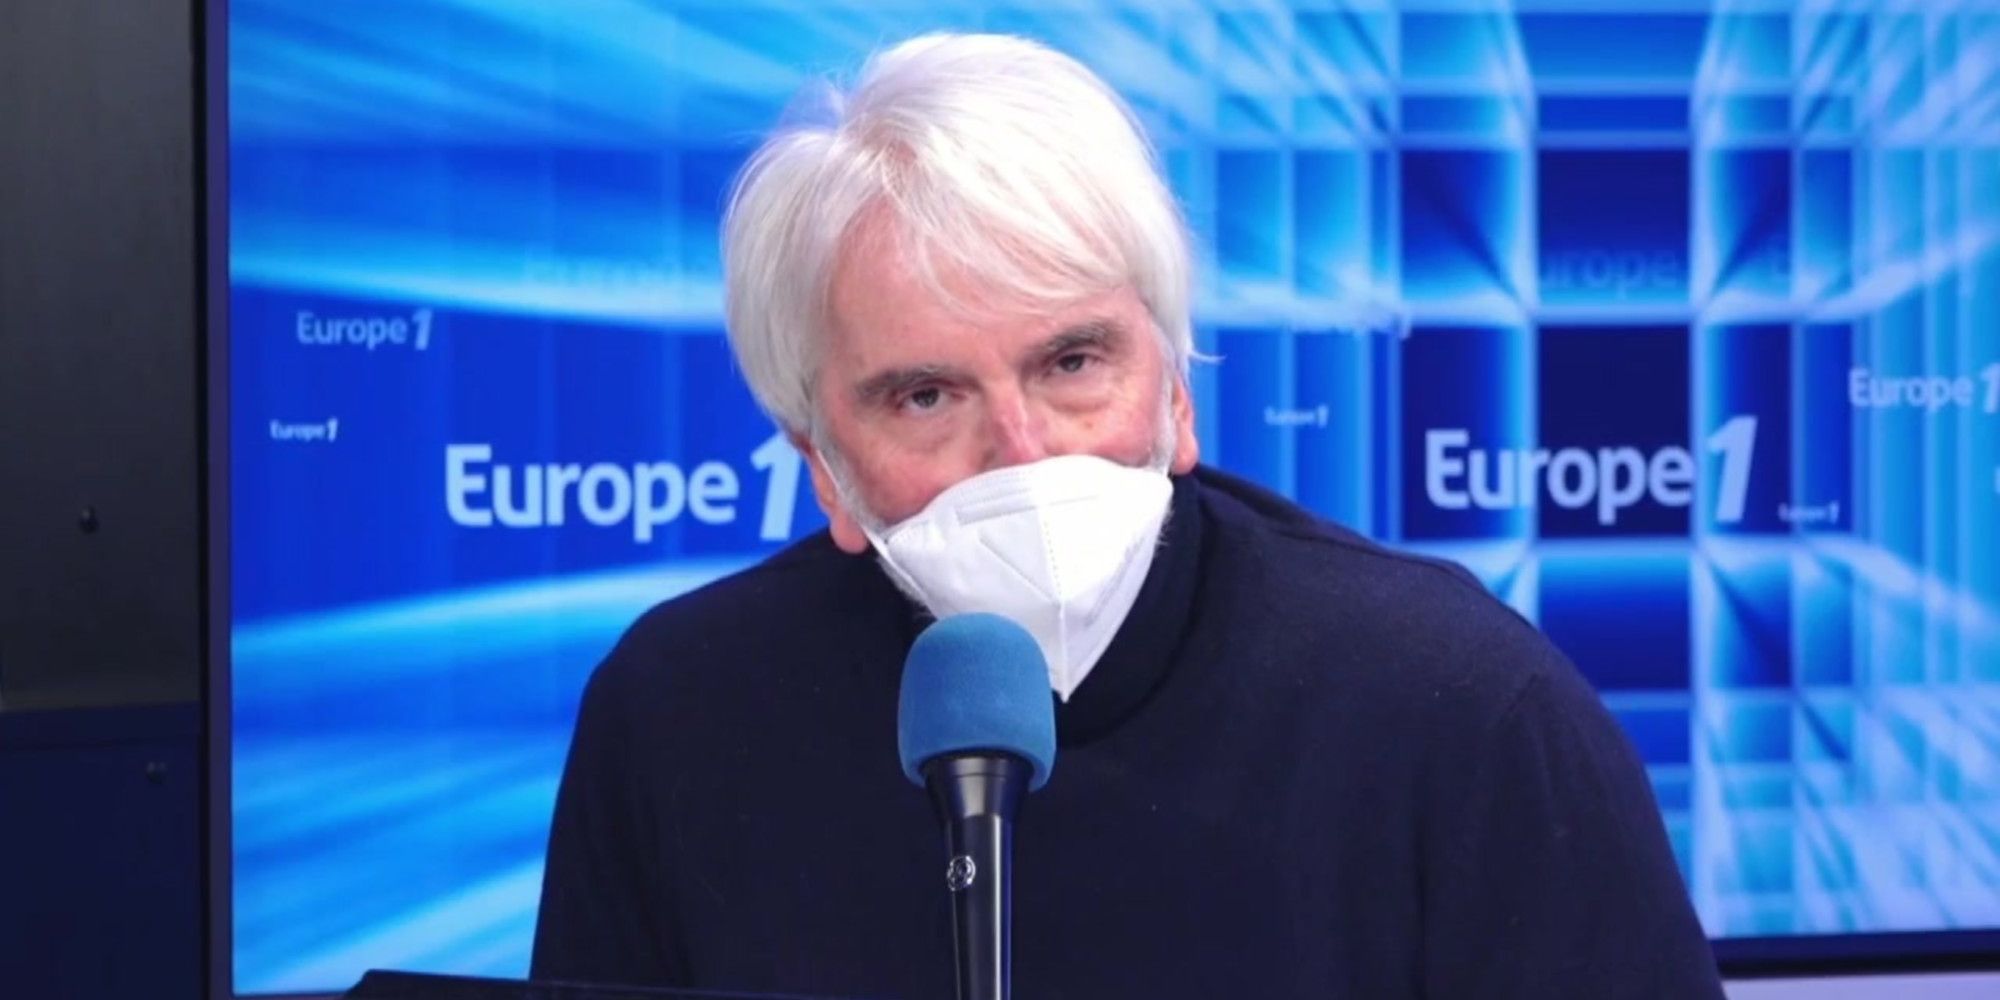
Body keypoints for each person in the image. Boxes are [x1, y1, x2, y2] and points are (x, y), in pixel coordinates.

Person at [530, 32, 1724, 999]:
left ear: (1176, 393)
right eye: (926, 394)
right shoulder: (676, 718)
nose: (1021, 451)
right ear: (825, 469)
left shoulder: (1464, 710)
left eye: (1070, 362)